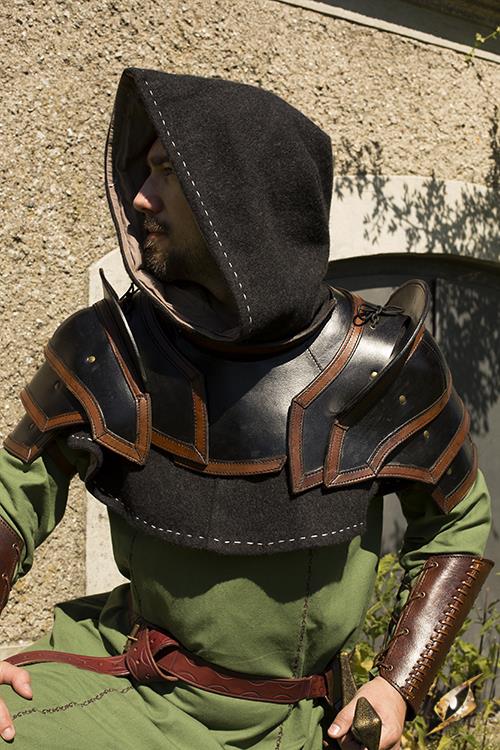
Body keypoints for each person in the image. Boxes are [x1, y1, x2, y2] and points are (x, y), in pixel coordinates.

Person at [0, 67, 492, 750]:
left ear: (233, 195)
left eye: (166, 171)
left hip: (303, 720)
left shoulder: (381, 364)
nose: (139, 197)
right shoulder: (109, 346)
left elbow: (458, 525)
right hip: (134, 693)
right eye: (144, 170)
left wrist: (398, 684)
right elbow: (13, 497)